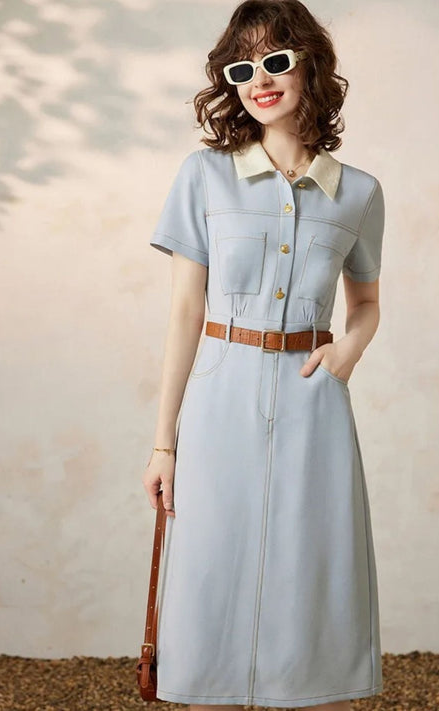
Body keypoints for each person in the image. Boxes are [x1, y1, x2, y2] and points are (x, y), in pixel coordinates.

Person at [142, 0, 385, 708]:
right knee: (210, 567)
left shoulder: (359, 193)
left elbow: (366, 304)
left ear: (311, 66)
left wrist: (346, 353)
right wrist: (163, 443)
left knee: (311, 568)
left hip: (313, 400)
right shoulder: (204, 175)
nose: (260, 81)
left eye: (275, 60)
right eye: (242, 69)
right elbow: (186, 311)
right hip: (221, 396)